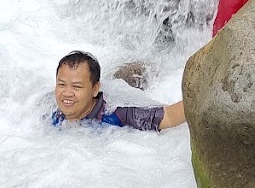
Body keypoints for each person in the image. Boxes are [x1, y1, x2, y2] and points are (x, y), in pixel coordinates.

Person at [51, 51, 185, 130]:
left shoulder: (117, 113)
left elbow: (168, 116)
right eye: (62, 84)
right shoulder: (48, 109)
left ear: (95, 89)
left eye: (76, 87)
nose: (67, 93)